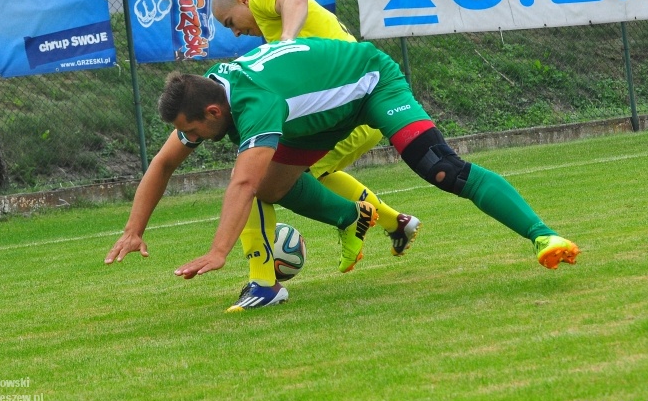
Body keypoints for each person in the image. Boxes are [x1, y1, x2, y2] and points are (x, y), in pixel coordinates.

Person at [158, 38, 580, 288]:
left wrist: (219, 252)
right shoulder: (214, 94)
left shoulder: (250, 97)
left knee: (440, 168)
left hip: (372, 85)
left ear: (212, 112)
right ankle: (351, 217)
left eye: (231, 21)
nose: (234, 29)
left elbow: (241, 184)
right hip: (322, 114)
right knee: (271, 184)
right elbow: (161, 165)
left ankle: (543, 236)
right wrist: (132, 232)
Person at [209, 0, 422, 289]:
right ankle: (395, 223)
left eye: (230, 22)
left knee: (266, 178)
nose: (236, 32)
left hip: (349, 108)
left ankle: (264, 282)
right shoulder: (270, 29)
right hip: (356, 105)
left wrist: (287, 41)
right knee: (311, 174)